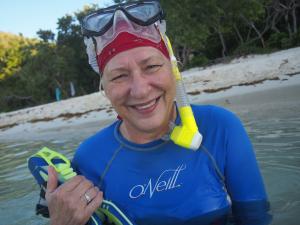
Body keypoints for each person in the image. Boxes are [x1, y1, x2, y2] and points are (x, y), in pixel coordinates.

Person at [45, 1, 272, 225]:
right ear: (105, 89)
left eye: (152, 67)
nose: (141, 90)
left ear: (174, 70)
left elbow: (256, 218)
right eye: (119, 76)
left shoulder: (220, 128)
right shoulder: (90, 158)